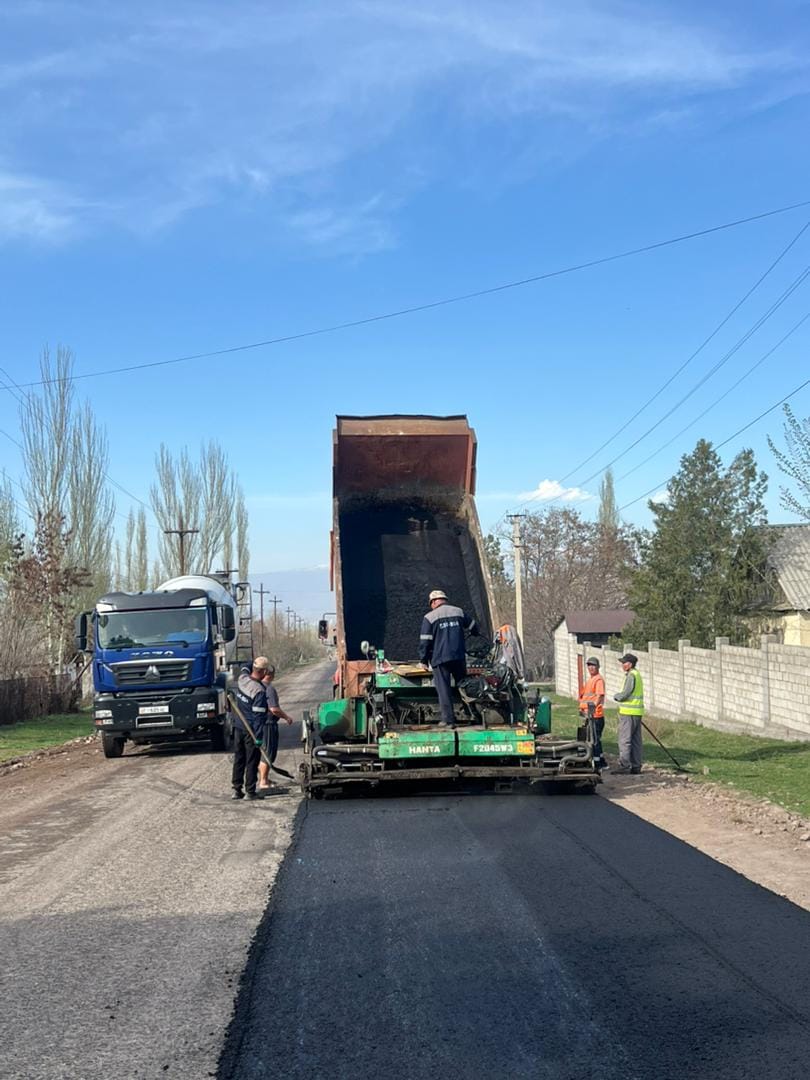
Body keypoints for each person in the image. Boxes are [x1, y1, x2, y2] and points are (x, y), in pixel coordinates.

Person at [419, 588, 477, 727]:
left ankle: (448, 720)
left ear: (433, 602)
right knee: (464, 685)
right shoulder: (458, 611)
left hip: (440, 659)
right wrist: (474, 633)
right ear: (445, 600)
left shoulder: (430, 617)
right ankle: (474, 714)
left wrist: (423, 660)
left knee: (443, 689)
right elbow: (473, 625)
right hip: (458, 657)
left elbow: (425, 641)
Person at [231, 656, 269, 800]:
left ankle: (237, 789)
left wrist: (254, 661)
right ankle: (250, 791)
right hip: (250, 730)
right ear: (264, 671)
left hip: (238, 726)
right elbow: (258, 717)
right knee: (252, 760)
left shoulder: (242, 678)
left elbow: (245, 666)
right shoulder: (259, 691)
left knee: (239, 758)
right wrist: (258, 737)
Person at [257, 665, 295, 792]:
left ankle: (265, 779)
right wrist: (286, 717)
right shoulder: (269, 689)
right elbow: (274, 709)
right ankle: (263, 781)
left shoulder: (258, 686)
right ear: (271, 674)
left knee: (265, 752)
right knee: (267, 753)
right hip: (268, 724)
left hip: (261, 723)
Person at [613, 652, 644, 774]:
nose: (622, 665)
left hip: (628, 712)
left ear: (630, 664)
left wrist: (617, 696)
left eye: (624, 663)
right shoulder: (637, 674)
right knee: (636, 741)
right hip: (637, 712)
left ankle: (624, 766)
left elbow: (626, 693)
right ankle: (636, 766)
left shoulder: (631, 676)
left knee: (624, 740)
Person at [579, 656, 606, 768]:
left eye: (593, 665)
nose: (591, 667)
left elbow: (599, 696)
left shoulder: (598, 680)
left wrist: (591, 709)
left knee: (594, 740)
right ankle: (602, 762)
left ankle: (598, 764)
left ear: (598, 667)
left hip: (595, 715)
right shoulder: (591, 680)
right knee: (595, 739)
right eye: (589, 665)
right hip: (590, 715)